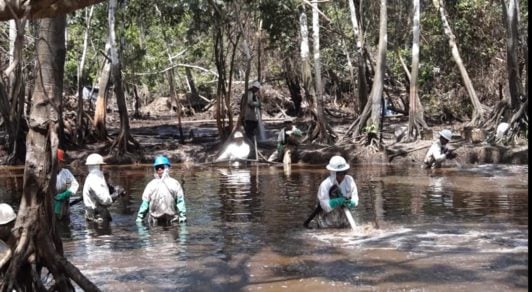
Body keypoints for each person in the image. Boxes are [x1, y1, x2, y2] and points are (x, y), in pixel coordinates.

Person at [136, 155, 187, 225]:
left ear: (167, 168)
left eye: (162, 167)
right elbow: (145, 203)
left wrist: (182, 217)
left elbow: (180, 202)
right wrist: (140, 218)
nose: (159, 169)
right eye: (157, 168)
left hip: (172, 221)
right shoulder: (151, 185)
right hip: (154, 222)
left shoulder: (175, 184)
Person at [315, 155, 359, 228]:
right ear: (333, 172)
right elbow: (324, 204)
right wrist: (335, 202)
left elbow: (355, 197)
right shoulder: (325, 185)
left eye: (344, 172)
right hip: (326, 218)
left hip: (343, 215)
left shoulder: (349, 180)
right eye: (339, 173)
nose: (342, 175)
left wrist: (352, 202)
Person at [82, 153, 114, 223]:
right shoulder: (95, 179)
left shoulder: (93, 177)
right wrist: (116, 194)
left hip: (94, 213)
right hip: (97, 216)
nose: (103, 167)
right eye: (102, 165)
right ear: (98, 166)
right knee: (101, 233)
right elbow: (104, 200)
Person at [53, 148, 79, 221]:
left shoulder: (66, 173)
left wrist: (67, 193)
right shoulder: (48, 173)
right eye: (59, 161)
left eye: (61, 162)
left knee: (65, 221)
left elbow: (72, 185)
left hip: (64, 202)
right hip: (52, 203)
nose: (61, 164)